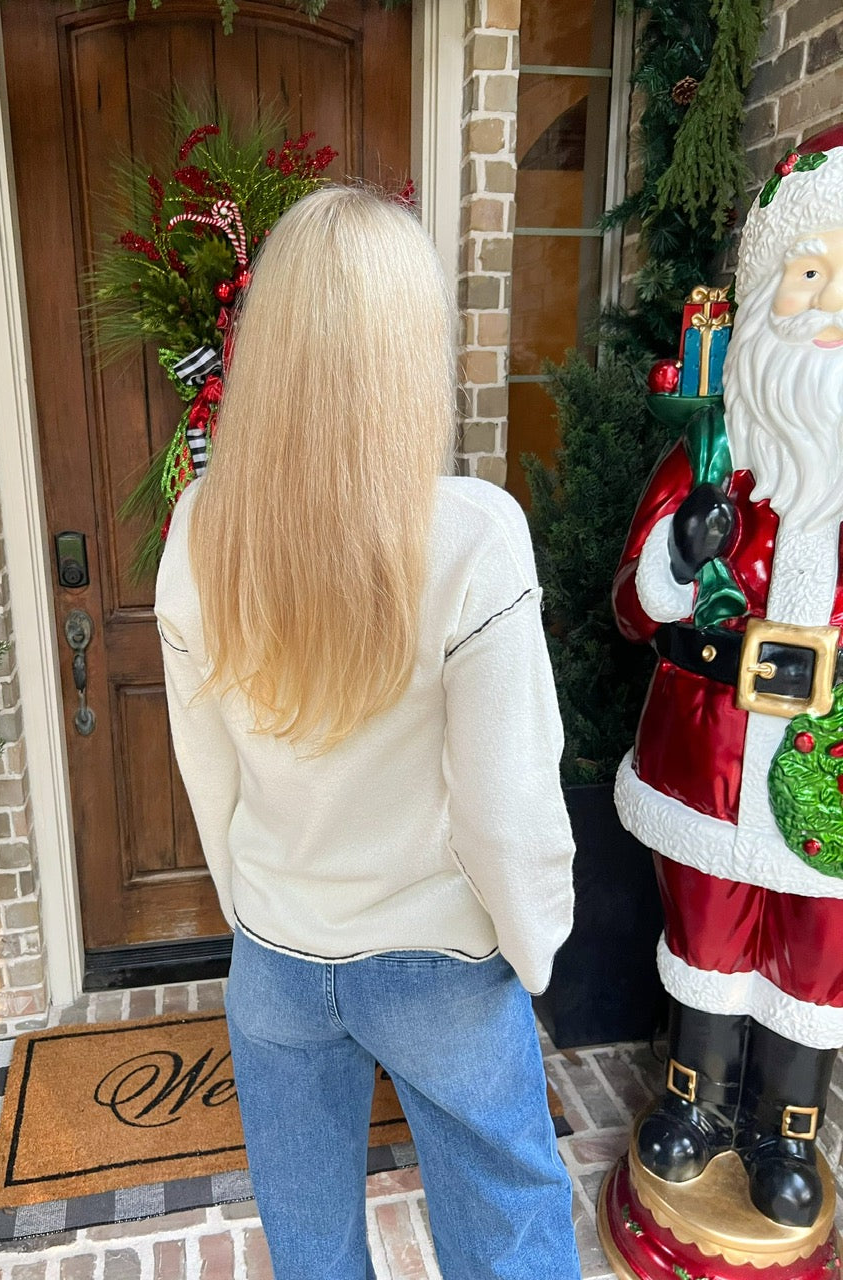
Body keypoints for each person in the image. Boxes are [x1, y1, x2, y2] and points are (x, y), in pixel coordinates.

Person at [154, 185, 579, 1280]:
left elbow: (207, 769)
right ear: (411, 351)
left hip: (277, 958)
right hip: (438, 962)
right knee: (509, 1237)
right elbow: (507, 807)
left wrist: (257, 908)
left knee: (312, 1252)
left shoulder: (200, 530)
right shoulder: (474, 537)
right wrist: (534, 950)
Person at [612, 125, 843, 1229]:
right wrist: (679, 552)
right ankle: (695, 1104)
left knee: (818, 950)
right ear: (764, 294)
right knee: (707, 929)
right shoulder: (711, 455)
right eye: (810, 274)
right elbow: (630, 604)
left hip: (829, 765)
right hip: (708, 757)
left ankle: (787, 1130)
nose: (830, 307)